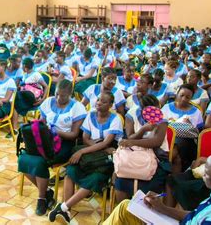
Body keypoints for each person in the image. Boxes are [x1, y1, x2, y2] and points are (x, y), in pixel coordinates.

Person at [104, 153, 211, 225]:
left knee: (125, 211)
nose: (202, 173)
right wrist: (162, 208)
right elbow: (196, 216)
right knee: (126, 207)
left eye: (206, 173)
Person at [49, 92, 123, 223]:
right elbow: (85, 138)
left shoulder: (115, 119)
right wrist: (95, 149)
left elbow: (107, 143)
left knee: (95, 178)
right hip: (90, 155)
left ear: (111, 105)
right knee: (70, 172)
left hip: (105, 160)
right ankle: (66, 211)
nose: (99, 102)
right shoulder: (90, 115)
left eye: (104, 102)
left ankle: (63, 207)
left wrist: (83, 151)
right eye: (98, 99)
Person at [18, 80, 87, 216]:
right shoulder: (49, 102)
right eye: (57, 94)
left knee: (40, 162)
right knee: (23, 159)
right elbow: (42, 123)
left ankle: (42, 198)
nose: (58, 98)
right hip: (45, 140)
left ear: (70, 94)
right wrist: (42, 129)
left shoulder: (77, 107)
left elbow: (74, 135)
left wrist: (55, 132)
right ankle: (47, 191)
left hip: (65, 143)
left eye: (63, 96)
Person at [113, 95, 170, 203]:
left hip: (157, 153)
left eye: (155, 109)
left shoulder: (161, 116)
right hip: (134, 152)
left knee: (154, 181)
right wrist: (143, 129)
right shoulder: (132, 113)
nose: (153, 113)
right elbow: (130, 136)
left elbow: (156, 141)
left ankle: (145, 214)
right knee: (121, 179)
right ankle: (124, 212)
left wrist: (131, 142)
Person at [162, 84, 204, 173]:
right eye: (182, 95)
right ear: (177, 93)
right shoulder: (166, 108)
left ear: (191, 98)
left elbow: (198, 133)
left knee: (179, 141)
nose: (184, 99)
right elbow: (160, 126)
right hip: (166, 140)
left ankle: (165, 164)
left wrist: (189, 124)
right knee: (177, 157)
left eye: (188, 97)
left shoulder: (196, 112)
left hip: (188, 143)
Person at [13, 57, 49, 131]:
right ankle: (15, 129)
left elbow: (46, 87)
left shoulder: (36, 75)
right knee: (15, 102)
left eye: (22, 65)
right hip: (25, 97)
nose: (21, 67)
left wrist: (43, 100)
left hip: (33, 98)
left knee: (18, 97)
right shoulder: (25, 74)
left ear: (25, 66)